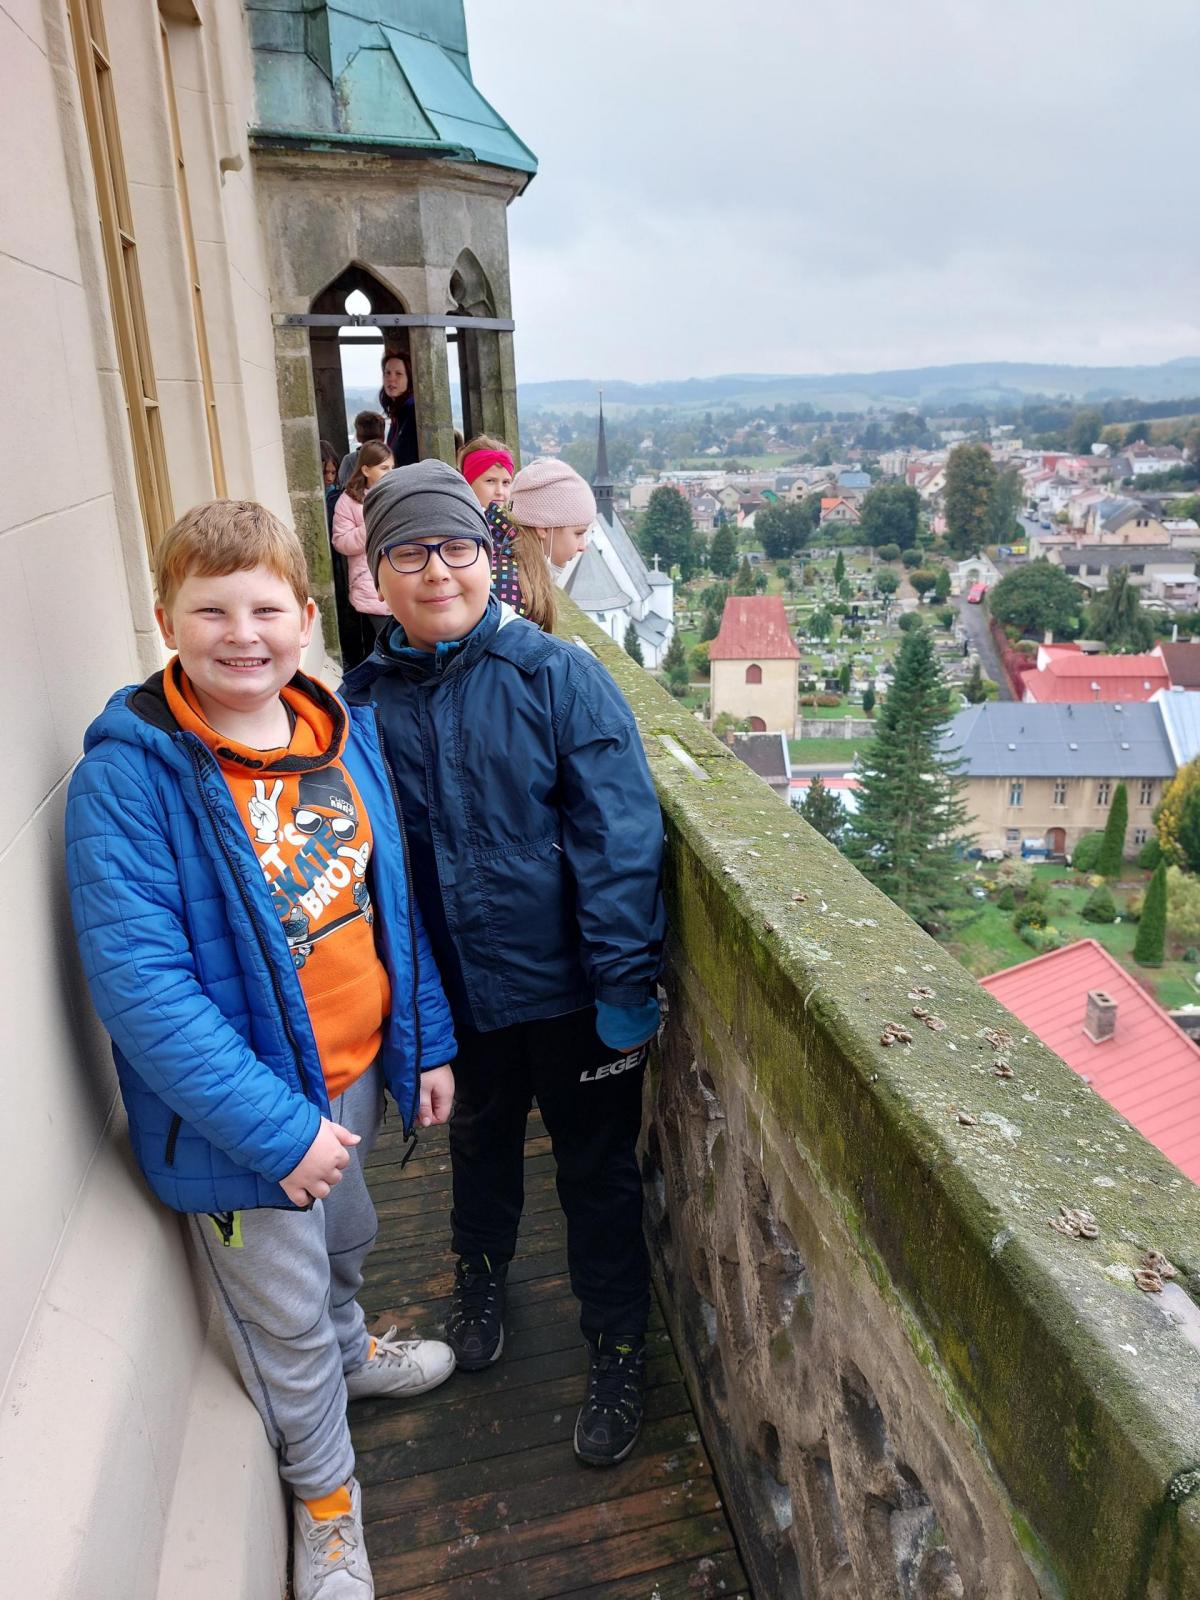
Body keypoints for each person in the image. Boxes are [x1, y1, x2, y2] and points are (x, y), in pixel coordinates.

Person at [65, 499, 458, 1600]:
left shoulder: (337, 730)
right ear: (165, 622)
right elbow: (145, 992)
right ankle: (327, 1509)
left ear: (305, 619)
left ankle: (353, 1355)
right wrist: (280, 1134)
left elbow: (386, 901)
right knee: (284, 1322)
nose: (242, 635)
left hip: (354, 1079)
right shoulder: (131, 779)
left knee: (346, 1246)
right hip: (245, 1123)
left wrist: (423, 1040)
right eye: (212, 611)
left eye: (266, 609)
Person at [342, 461, 666, 1469]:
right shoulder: (362, 708)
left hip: (573, 996)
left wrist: (623, 983)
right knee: (478, 1149)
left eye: (455, 548)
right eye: (409, 553)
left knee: (598, 1177)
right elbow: (370, 880)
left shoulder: (556, 676)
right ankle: (480, 1279)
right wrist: (412, 1014)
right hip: (458, 997)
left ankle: (617, 1347)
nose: (437, 571)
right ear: (377, 576)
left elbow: (620, 837)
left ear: (490, 559)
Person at [332, 441, 394, 635]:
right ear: (366, 470)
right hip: (369, 584)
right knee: (382, 640)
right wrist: (370, 527)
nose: (390, 473)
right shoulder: (348, 501)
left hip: (399, 576)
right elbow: (341, 542)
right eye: (384, 468)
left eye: (392, 468)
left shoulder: (397, 493)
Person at [379, 350, 418, 467]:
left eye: (399, 374)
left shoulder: (414, 413)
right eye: (387, 373)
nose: (391, 379)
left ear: (410, 378)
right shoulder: (399, 413)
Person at [337, 410, 386, 491]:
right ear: (383, 436)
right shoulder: (389, 459)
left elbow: (343, 485)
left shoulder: (349, 460)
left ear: (358, 437)